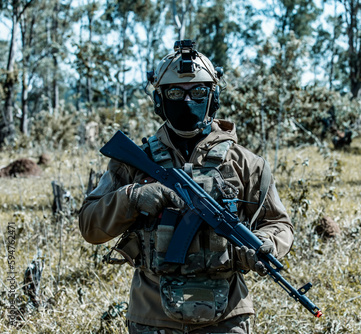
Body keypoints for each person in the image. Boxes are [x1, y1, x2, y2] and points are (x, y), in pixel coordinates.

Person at [78, 40, 294, 334]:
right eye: (176, 92)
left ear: (213, 97)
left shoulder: (248, 164)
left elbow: (279, 224)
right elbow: (90, 227)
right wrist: (133, 197)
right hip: (151, 315)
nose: (187, 100)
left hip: (227, 317)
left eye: (199, 91)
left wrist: (267, 244)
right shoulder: (133, 161)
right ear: (160, 100)